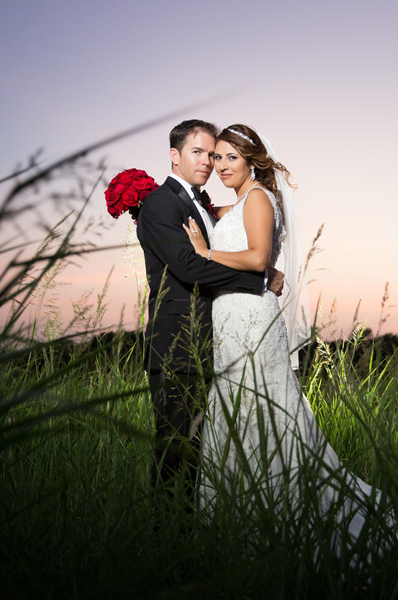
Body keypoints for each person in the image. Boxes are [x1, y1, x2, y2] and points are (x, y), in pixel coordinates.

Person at [183, 124, 398, 575]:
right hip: (233, 321)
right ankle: (244, 520)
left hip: (251, 326)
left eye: (232, 157)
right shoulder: (239, 202)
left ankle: (273, 522)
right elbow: (258, 259)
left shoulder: (257, 199)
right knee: (239, 411)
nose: (221, 166)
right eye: (218, 157)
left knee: (260, 409)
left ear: (252, 160)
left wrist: (203, 252)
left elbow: (255, 258)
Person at [136, 119, 283, 494]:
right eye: (198, 152)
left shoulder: (202, 204)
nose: (208, 162)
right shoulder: (160, 204)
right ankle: (167, 537)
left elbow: (239, 248)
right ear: (175, 156)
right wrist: (259, 279)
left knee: (206, 447)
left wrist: (261, 265)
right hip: (177, 347)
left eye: (213, 154)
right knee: (176, 447)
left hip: (215, 343)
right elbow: (188, 266)